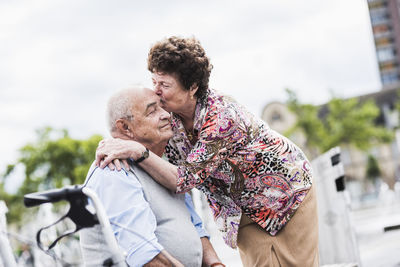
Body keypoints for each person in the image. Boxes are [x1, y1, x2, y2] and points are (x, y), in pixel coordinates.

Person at [96, 36, 319, 267]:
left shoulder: (221, 116)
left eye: (165, 85)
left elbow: (183, 179)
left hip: (285, 193)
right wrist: (115, 143)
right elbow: (143, 140)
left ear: (192, 87)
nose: (157, 91)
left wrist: (136, 151)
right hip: (240, 205)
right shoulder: (168, 116)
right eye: (154, 82)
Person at [80, 86, 224, 267]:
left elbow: (195, 228)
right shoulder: (113, 171)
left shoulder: (158, 167)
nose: (166, 115)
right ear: (125, 127)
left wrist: (215, 264)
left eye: (163, 108)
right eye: (152, 111)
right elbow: (145, 255)